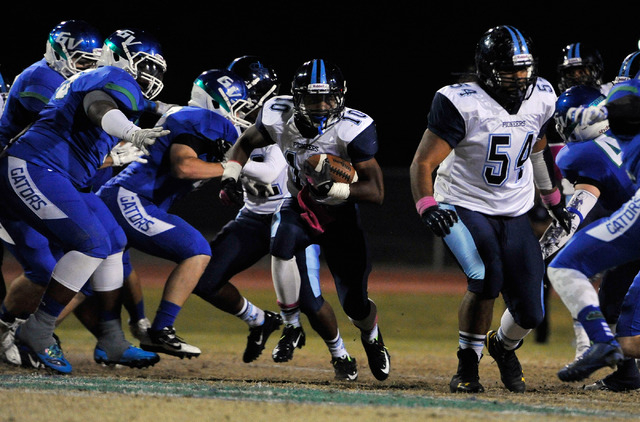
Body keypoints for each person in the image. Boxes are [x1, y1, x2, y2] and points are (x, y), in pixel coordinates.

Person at [410, 25, 570, 393]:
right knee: (485, 277)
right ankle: (468, 366)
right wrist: (426, 204)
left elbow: (539, 148)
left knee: (531, 310)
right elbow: (422, 162)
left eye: (524, 68)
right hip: (464, 203)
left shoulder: (543, 94)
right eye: (510, 69)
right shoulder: (460, 100)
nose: (520, 77)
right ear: (487, 68)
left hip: (514, 209)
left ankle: (503, 346)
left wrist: (553, 199)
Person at [0, 27, 168, 373]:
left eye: (157, 69)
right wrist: (132, 133)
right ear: (120, 58)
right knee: (88, 243)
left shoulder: (104, 79)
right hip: (32, 167)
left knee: (113, 242)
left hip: (59, 175)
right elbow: (98, 106)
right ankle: (37, 329)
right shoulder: (106, 76)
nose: (151, 76)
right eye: (145, 66)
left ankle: (111, 338)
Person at [219, 58, 390, 381]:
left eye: (328, 97)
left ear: (341, 97)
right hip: (299, 205)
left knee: (355, 303)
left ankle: (372, 338)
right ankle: (291, 325)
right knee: (281, 242)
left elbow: (377, 191)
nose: (321, 105)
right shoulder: (277, 116)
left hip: (340, 218)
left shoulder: (354, 128)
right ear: (297, 98)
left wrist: (336, 189)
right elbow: (245, 143)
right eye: (312, 98)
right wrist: (231, 174)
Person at [191, 59, 358, 380]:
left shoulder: (279, 121)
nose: (239, 102)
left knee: (310, 302)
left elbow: (269, 171)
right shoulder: (229, 127)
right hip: (253, 217)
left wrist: (230, 164)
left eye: (243, 94)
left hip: (289, 213)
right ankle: (260, 320)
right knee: (205, 281)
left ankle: (340, 353)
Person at [95, 67, 245, 359]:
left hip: (121, 196)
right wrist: (231, 169)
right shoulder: (206, 120)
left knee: (92, 280)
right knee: (197, 249)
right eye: (237, 105)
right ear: (216, 102)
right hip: (132, 198)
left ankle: (25, 331)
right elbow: (185, 166)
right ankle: (161, 330)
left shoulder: (191, 116)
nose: (240, 113)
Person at [541, 84, 640, 391]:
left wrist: (543, 248)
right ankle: (624, 370)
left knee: (565, 265)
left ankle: (600, 343)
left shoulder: (582, 153)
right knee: (629, 330)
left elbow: (578, 209)